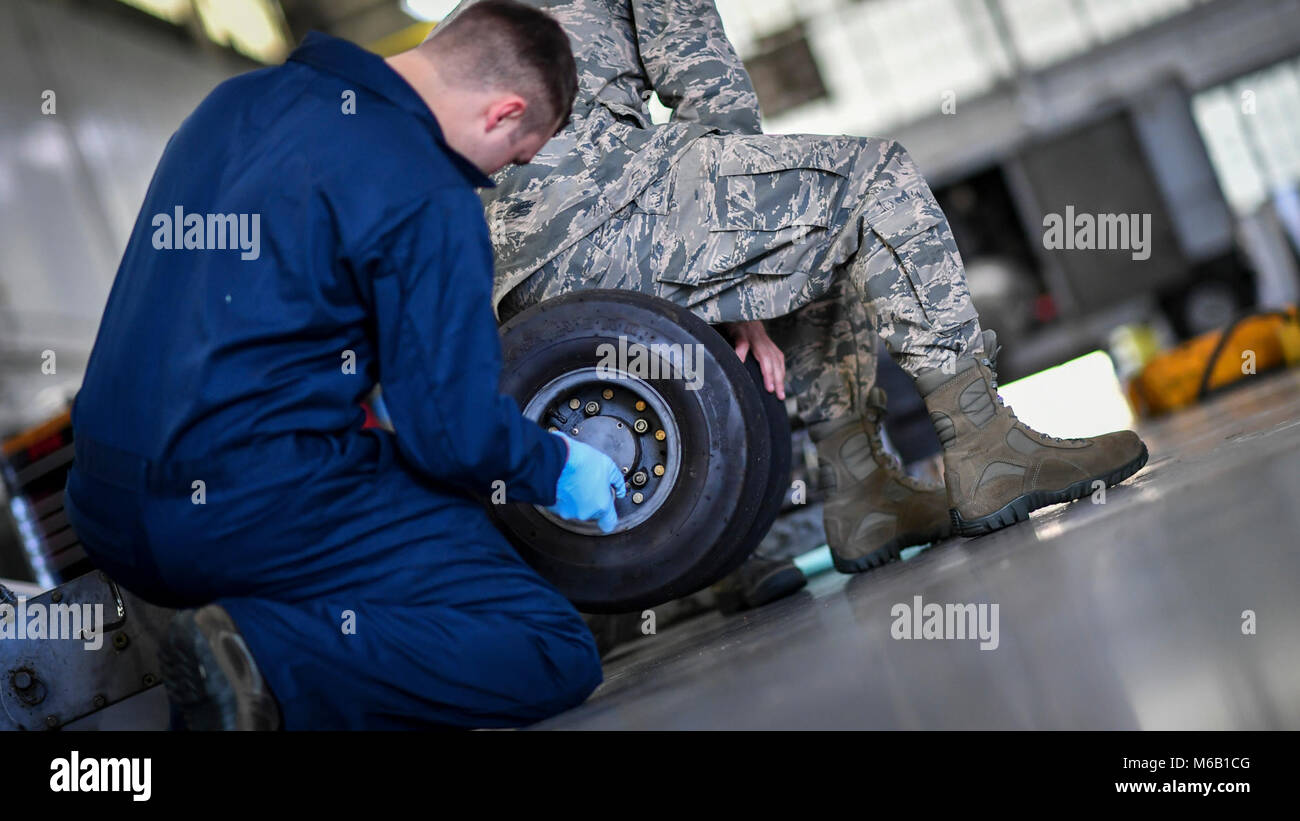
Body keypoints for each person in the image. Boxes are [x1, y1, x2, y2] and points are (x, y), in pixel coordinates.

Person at [63, 0, 623, 730]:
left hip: (106, 509)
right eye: (514, 159)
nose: (497, 179)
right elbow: (449, 434)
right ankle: (262, 662)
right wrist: (553, 463)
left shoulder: (236, 101)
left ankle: (252, 641)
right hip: (241, 505)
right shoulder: (427, 187)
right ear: (502, 112)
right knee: (550, 646)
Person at [466, 0, 1150, 586]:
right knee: (874, 180)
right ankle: (984, 448)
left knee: (812, 231)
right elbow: (704, 83)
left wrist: (748, 267)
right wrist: (742, 271)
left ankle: (865, 489)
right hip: (602, 204)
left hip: (526, 276)